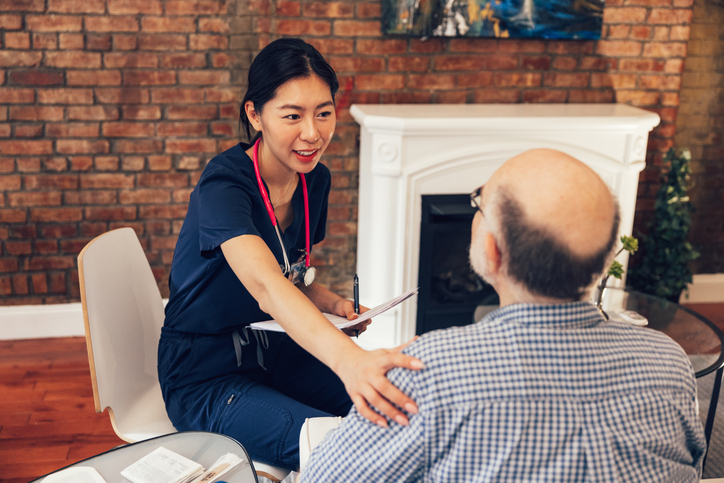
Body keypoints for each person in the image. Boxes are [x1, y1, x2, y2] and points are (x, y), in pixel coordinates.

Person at [301, 149, 707, 482]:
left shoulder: (428, 371)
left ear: (492, 252)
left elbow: (323, 478)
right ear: (604, 259)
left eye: (479, 203)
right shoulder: (670, 362)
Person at [157, 38, 422, 471]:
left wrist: (336, 306)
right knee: (344, 447)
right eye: (292, 116)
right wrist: (350, 360)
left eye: (323, 112)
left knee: (398, 411)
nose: (312, 133)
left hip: (278, 351)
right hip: (205, 373)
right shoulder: (223, 186)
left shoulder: (313, 180)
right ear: (254, 114)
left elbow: (291, 275)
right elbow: (266, 286)